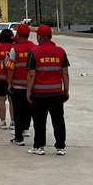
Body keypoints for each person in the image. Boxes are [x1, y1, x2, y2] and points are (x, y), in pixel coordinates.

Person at [26, 25, 70, 156]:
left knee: (39, 121)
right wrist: (66, 90)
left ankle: (39, 147)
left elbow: (31, 74)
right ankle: (60, 147)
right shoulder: (61, 51)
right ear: (50, 37)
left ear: (39, 37)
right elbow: (65, 73)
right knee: (58, 120)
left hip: (39, 94)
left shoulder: (34, 52)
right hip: (57, 93)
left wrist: (28, 91)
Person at [6, 24, 35, 146]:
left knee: (18, 111)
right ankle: (26, 129)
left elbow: (10, 67)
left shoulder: (15, 49)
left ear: (18, 35)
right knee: (29, 109)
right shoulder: (34, 48)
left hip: (18, 85)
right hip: (31, 86)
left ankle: (19, 137)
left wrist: (9, 82)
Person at [0, 28, 15, 129]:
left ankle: (2, 122)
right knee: (12, 100)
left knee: (0, 100)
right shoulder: (14, 48)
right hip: (11, 78)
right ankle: (13, 122)